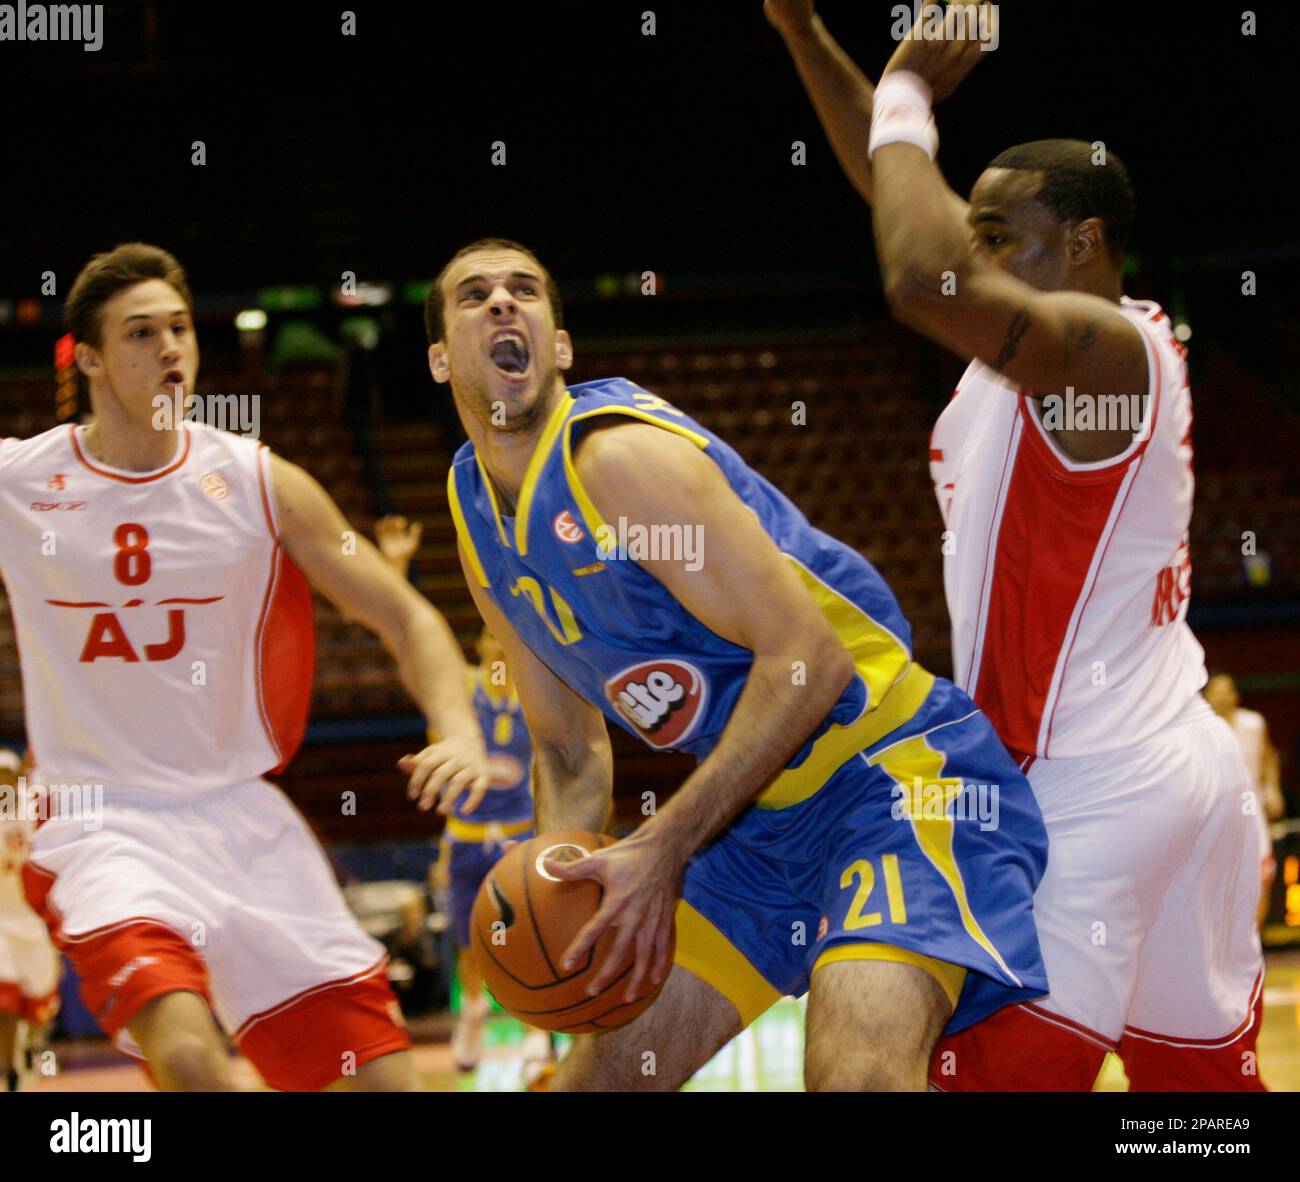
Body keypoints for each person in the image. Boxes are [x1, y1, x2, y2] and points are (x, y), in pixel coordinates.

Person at [767, 0, 1266, 1089]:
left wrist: (909, 99)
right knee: (1200, 1100)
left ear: (1084, 243)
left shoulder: (1099, 354)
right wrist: (805, 31)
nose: (973, 250)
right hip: (1177, 770)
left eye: (1000, 237)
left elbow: (917, 274)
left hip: (1088, 789)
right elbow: (895, 194)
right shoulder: (1063, 351)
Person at [428, 235, 1049, 1091]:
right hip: (751, 829)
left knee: (856, 1077)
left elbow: (810, 661)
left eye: (525, 291)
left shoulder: (615, 462)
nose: (504, 304)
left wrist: (661, 846)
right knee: (597, 1083)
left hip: (890, 777)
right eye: (475, 296)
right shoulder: (475, 519)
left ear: (560, 346)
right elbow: (569, 750)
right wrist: (563, 893)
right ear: (438, 358)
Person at [0, 242, 490, 1091]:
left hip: (243, 822)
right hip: (102, 820)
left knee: (392, 1085)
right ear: (89, 360)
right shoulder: (21, 482)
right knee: (192, 1060)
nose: (169, 350)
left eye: (180, 330)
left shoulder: (260, 484)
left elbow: (406, 616)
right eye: (141, 333)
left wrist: (458, 730)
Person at [375, 517, 555, 1085]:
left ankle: (535, 1030)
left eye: (504, 642)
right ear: (477, 648)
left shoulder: (539, 694)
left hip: (520, 835)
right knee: (467, 941)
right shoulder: (463, 690)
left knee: (528, 934)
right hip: (466, 837)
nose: (494, 650)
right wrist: (397, 566)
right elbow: (403, 638)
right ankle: (473, 1011)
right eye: (486, 641)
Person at [0, 749, 60, 1092]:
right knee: (4, 999)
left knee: (41, 1002)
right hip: (1, 922)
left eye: (7, 778)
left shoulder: (34, 808)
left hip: (33, 921)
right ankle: (7, 1069)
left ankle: (30, 1045)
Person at [1205, 672, 1285, 926]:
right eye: (1216, 690)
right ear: (1206, 697)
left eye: (1228, 690)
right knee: (1218, 884)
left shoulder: (1254, 724)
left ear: (1236, 695)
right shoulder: (1199, 731)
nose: (1223, 696)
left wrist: (1273, 788)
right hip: (1213, 817)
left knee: (1262, 877)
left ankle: (1254, 941)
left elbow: (1268, 756)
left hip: (1253, 815)